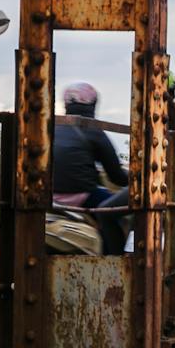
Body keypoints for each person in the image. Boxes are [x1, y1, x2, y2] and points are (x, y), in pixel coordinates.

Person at [52, 82, 130, 255]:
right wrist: (134, 177)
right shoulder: (93, 131)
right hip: (81, 196)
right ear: (92, 105)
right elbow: (116, 176)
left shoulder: (52, 128)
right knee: (114, 212)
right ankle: (115, 259)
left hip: (48, 196)